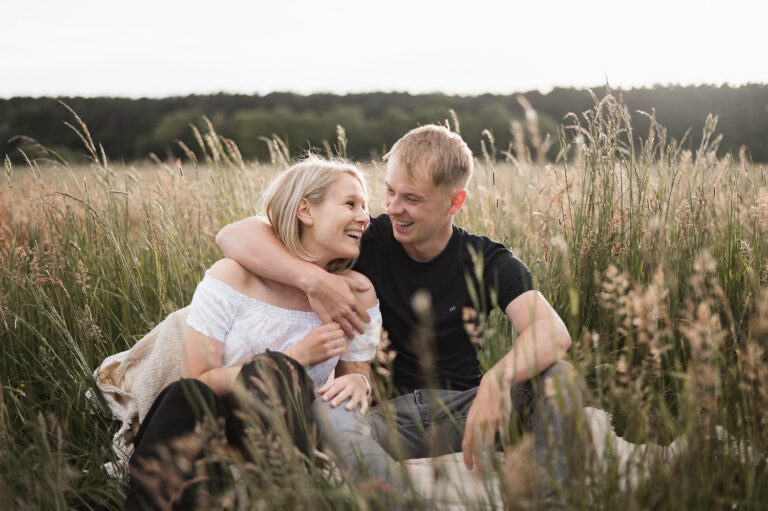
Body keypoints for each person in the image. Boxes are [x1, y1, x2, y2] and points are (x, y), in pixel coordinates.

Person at [216, 125, 582, 505]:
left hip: (468, 411)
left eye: (411, 199)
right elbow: (233, 235)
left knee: (560, 376)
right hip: (384, 420)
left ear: (454, 203)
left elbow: (553, 333)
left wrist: (495, 381)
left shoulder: (487, 259)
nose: (392, 208)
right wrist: (311, 279)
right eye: (389, 191)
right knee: (328, 410)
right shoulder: (366, 239)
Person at [125, 156, 382, 510]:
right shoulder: (232, 276)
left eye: (365, 207)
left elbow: (358, 378)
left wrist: (360, 384)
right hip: (215, 423)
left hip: (289, 435)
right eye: (351, 204)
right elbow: (197, 379)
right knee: (189, 393)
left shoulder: (356, 292)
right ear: (305, 211)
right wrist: (296, 358)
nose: (365, 217)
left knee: (274, 373)